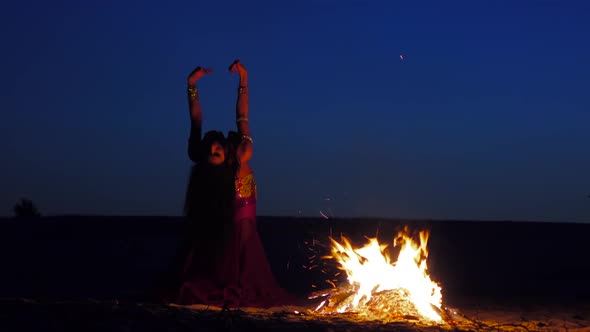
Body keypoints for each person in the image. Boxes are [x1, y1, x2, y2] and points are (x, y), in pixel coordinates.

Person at [167, 60, 292, 309]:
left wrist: (239, 79)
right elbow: (228, 121)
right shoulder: (233, 159)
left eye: (215, 146)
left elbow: (211, 120)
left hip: (243, 228)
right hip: (228, 228)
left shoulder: (240, 155)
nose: (214, 148)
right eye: (212, 150)